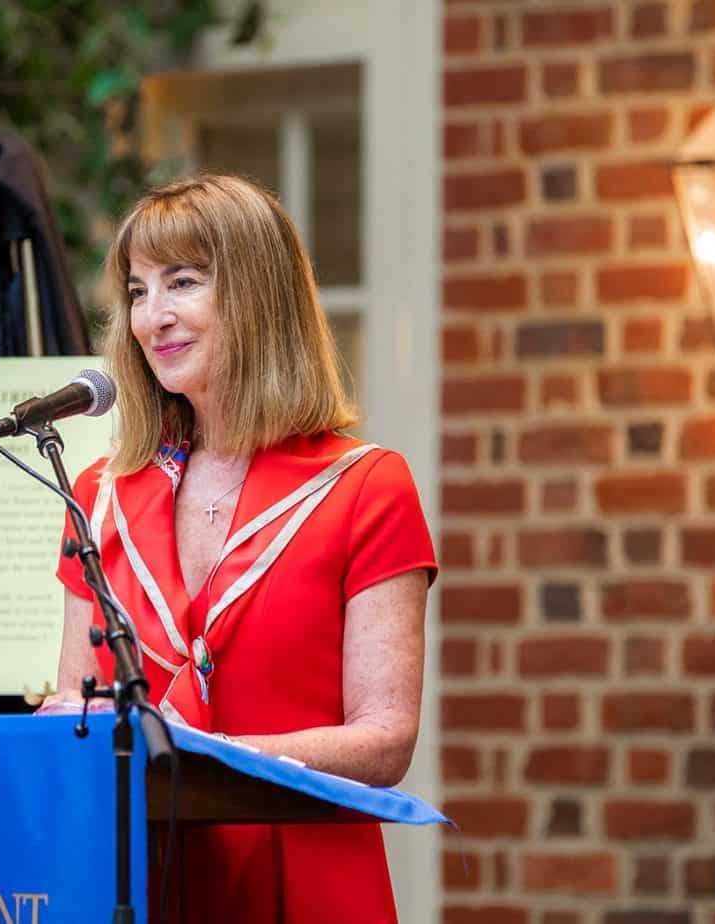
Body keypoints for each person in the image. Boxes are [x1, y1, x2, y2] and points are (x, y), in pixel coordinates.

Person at [46, 174, 436, 924]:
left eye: (182, 283)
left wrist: (208, 754)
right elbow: (75, 700)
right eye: (136, 291)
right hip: (137, 880)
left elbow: (384, 741)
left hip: (305, 878)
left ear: (257, 293)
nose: (151, 317)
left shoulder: (366, 486)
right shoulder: (99, 493)